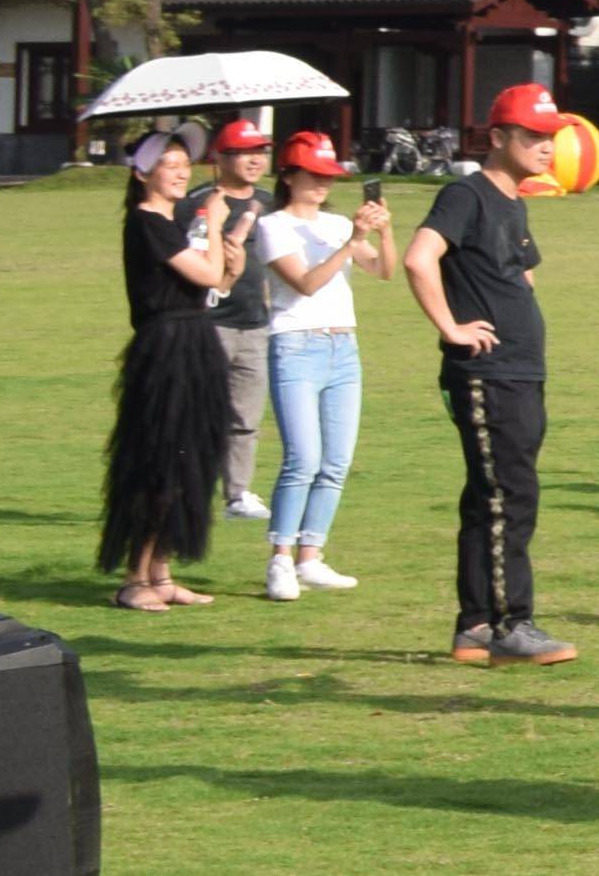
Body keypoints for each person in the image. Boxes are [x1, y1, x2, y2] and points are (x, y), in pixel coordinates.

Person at [406, 80, 577, 665]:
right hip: (488, 373)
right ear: (499, 136)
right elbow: (418, 256)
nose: (547, 146)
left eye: (551, 136)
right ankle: (512, 624)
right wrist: (453, 327)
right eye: (533, 135)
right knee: (511, 495)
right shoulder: (467, 195)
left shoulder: (515, 202)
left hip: (520, 371)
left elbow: (520, 273)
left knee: (489, 497)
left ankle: (476, 625)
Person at [102, 127, 248, 613]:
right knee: (159, 463)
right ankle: (133, 578)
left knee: (189, 463)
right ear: (143, 173)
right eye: (169, 162)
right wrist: (214, 226)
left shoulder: (173, 224)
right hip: (166, 349)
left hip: (195, 340)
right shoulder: (147, 221)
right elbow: (205, 274)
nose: (182, 170)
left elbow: (215, 284)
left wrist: (234, 258)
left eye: (185, 161)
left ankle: (160, 574)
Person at [248, 129, 389, 603]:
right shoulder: (274, 226)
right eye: (314, 175)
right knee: (302, 459)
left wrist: (383, 232)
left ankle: (312, 555)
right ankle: (280, 560)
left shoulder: (333, 225)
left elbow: (384, 270)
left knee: (336, 461)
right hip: (296, 345)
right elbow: (305, 283)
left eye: (329, 177)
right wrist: (351, 242)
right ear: (288, 175)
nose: (323, 185)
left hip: (342, 347)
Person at [204, 112, 282, 527]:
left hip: (256, 323)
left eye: (259, 152)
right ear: (220, 156)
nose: (253, 159)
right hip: (210, 321)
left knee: (246, 417)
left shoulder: (272, 204)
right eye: (242, 152)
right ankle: (191, 487)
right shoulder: (202, 205)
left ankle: (237, 493)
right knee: (202, 413)